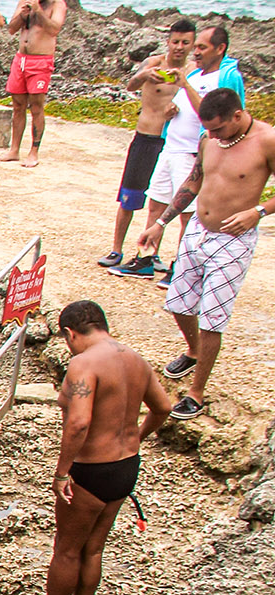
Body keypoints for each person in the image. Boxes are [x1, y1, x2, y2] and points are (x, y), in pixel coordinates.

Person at [16, 301, 172, 595]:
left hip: (91, 469)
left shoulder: (83, 364)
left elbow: (79, 422)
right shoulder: (136, 359)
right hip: (126, 466)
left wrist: (62, 471)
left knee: (68, 548)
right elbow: (164, 407)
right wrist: (137, 437)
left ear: (70, 333)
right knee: (95, 547)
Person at [136, 87, 274, 420]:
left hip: (233, 238)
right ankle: (194, 351)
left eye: (218, 129)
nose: (212, 135)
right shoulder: (208, 140)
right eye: (207, 129)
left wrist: (259, 211)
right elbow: (194, 181)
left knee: (213, 316)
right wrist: (161, 223)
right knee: (179, 303)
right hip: (198, 229)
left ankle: (196, 392)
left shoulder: (266, 140)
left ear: (237, 116)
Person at [117, 25, 250, 286]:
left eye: (201, 47)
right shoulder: (198, 74)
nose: (194, 52)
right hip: (171, 146)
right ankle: (146, 260)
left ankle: (182, 266)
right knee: (157, 202)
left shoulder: (226, 77)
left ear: (220, 49)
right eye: (195, 46)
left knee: (187, 212)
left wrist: (185, 85)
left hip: (192, 152)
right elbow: (186, 105)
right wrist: (171, 110)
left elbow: (215, 115)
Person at [100, 21, 196, 271]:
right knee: (129, 197)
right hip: (145, 137)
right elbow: (130, 85)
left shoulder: (193, 72)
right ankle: (116, 249)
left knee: (162, 202)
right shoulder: (154, 63)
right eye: (175, 41)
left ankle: (149, 254)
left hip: (172, 143)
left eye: (185, 42)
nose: (179, 47)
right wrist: (144, 75)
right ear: (168, 41)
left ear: (192, 45)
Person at [0, 0, 65, 168]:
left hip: (41, 60)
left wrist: (38, 11)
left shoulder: (57, 4)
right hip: (21, 59)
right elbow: (12, 29)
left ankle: (33, 151)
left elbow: (54, 30)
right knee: (18, 105)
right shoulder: (24, 2)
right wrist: (22, 15)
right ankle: (14, 150)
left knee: (36, 106)